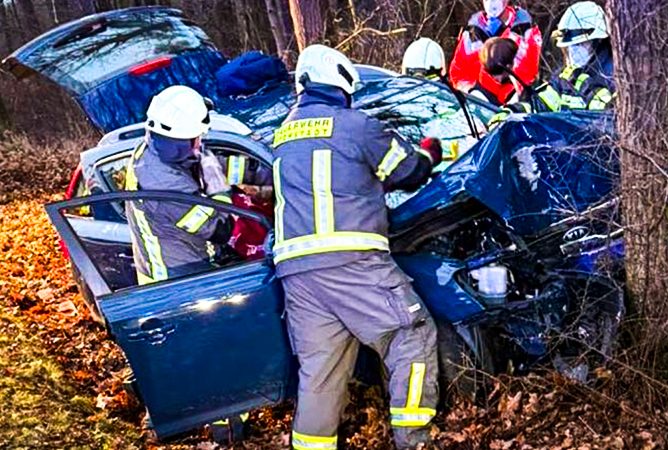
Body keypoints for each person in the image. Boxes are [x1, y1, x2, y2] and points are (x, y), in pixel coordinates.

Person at [273, 44, 442, 450]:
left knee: (320, 374)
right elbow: (407, 170)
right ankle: (413, 440)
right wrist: (431, 152)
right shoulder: (357, 126)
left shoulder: (281, 137)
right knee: (411, 336)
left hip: (296, 275)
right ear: (343, 84)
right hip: (353, 264)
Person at [125, 85, 235, 285]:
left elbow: (200, 161)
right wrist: (219, 188)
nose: (200, 142)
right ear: (184, 141)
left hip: (179, 268)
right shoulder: (168, 189)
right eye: (198, 137)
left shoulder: (152, 150)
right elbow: (220, 230)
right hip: (178, 280)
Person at [487, 1, 614, 127]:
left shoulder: (614, 75)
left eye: (580, 45)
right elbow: (542, 103)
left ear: (597, 42)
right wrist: (512, 112)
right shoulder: (569, 75)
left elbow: (610, 118)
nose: (574, 51)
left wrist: (585, 87)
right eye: (569, 47)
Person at [448, 0, 541, 101]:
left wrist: (512, 98)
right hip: (479, 103)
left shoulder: (524, 30)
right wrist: (472, 91)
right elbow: (458, 73)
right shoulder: (473, 32)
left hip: (513, 102)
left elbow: (528, 74)